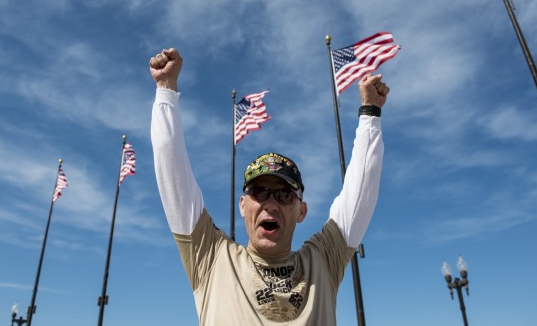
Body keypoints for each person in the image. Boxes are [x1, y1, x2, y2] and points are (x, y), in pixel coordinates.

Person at [150, 47, 389, 325]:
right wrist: (166, 89)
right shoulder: (212, 257)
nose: (271, 204)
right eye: (259, 192)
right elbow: (173, 172)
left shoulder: (323, 260)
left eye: (286, 195)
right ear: (243, 205)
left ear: (302, 211)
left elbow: (360, 193)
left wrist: (370, 114)